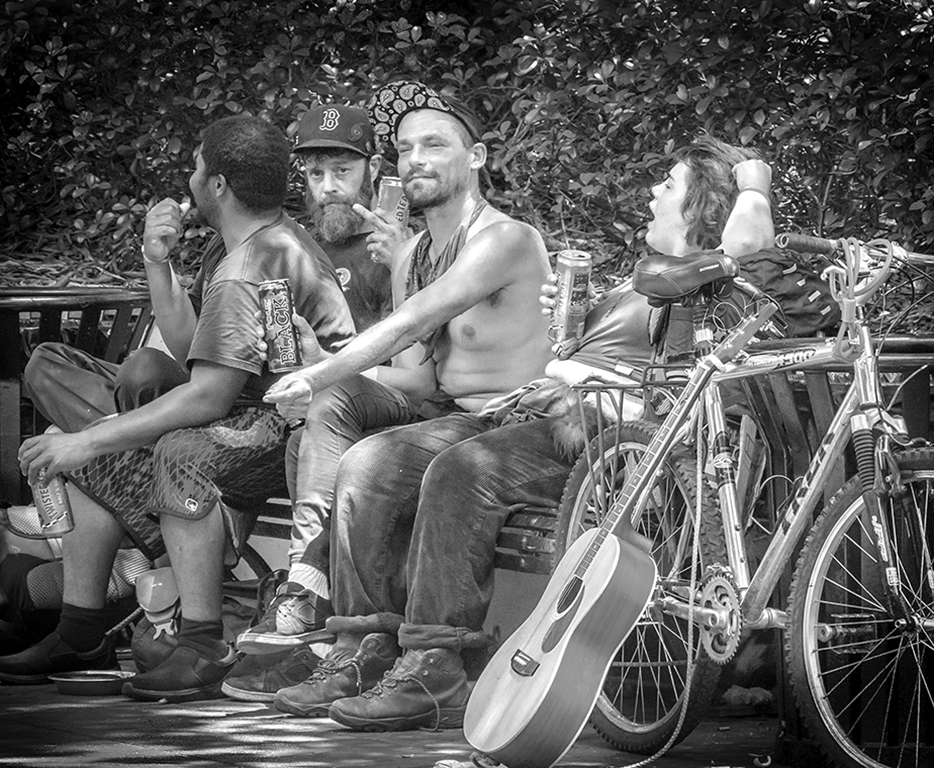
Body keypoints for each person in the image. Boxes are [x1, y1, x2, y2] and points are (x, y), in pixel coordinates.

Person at [266, 133, 775, 732]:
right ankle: (362, 648)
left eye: (668, 185)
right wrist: (573, 329)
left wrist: (753, 183)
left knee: (462, 472)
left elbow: (748, 248)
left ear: (702, 205)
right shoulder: (642, 279)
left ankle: (435, 664)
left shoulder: (710, 278)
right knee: (371, 462)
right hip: (529, 412)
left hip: (600, 437)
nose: (653, 193)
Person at [0, 114, 356, 702]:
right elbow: (197, 348)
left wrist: (88, 437)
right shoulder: (242, 243)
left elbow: (210, 395)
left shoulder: (251, 266)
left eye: (196, 167)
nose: (189, 178)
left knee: (175, 451)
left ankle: (202, 642)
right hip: (257, 406)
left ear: (217, 185)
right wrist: (156, 260)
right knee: (102, 442)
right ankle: (81, 631)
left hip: (304, 424)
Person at [219, 81, 554, 700]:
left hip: (514, 423)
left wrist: (317, 371)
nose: (416, 159)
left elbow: (411, 323)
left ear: (476, 158)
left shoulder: (506, 239)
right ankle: (356, 645)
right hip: (447, 414)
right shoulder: (415, 253)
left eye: (435, 145)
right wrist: (326, 370)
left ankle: (423, 656)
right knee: (359, 447)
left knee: (383, 447)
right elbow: (419, 377)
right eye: (405, 149)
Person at [229, 105, 398, 664]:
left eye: (342, 171)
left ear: (374, 170)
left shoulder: (393, 246)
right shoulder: (291, 243)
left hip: (367, 408)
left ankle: (305, 593)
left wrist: (323, 364)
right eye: (315, 173)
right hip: (288, 405)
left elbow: (412, 360)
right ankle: (301, 595)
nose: (327, 188)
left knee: (309, 429)